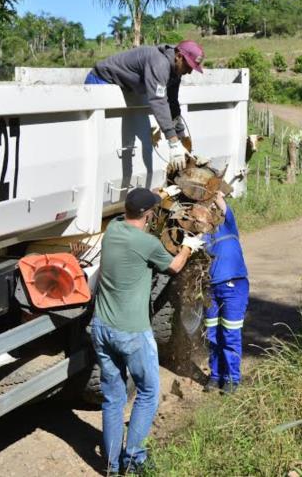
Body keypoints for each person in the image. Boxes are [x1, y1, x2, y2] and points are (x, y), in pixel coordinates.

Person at [91, 187, 203, 473]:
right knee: (149, 391)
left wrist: (156, 194)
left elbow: (134, 210)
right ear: (149, 215)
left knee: (113, 397)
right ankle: (134, 459)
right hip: (131, 332)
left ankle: (112, 466)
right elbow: (175, 266)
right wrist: (190, 245)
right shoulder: (147, 243)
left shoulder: (113, 230)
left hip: (102, 328)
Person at [84, 40, 205, 171]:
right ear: (179, 56)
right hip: (102, 81)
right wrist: (173, 142)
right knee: (106, 149)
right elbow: (158, 101)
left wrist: (182, 139)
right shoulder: (159, 63)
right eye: (188, 66)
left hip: (123, 86)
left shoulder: (175, 72)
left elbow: (172, 103)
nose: (189, 72)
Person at [202, 189, 249, 393]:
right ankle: (215, 375)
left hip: (234, 287)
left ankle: (232, 379)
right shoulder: (199, 236)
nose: (209, 212)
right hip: (210, 290)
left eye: (211, 208)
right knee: (212, 334)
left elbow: (222, 204)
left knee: (230, 334)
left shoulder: (228, 225)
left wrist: (216, 196)